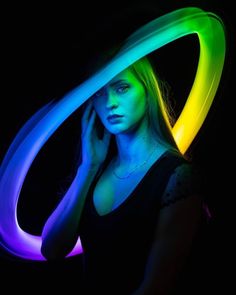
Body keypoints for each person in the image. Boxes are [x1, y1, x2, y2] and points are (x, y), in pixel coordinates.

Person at [40, 55, 206, 295]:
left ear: (147, 91)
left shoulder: (178, 177)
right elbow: (51, 249)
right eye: (99, 92)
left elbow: (158, 285)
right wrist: (87, 168)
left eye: (122, 87)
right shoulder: (96, 170)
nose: (110, 103)